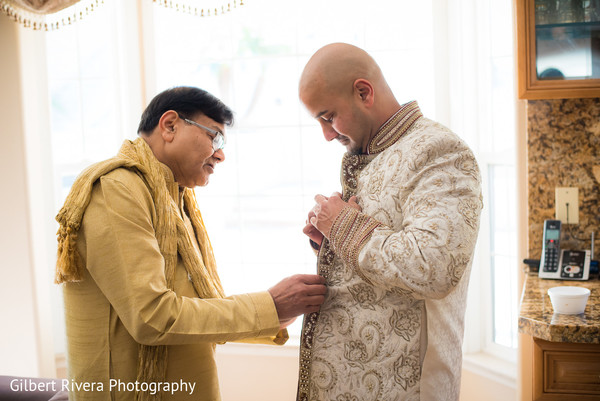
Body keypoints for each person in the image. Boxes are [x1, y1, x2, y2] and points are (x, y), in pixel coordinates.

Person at [55, 86, 327, 401]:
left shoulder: (174, 196)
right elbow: (152, 317)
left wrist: (274, 313)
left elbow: (193, 301)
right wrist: (269, 306)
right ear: (169, 125)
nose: (221, 154)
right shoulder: (117, 189)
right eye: (215, 137)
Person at [296, 43, 483, 401]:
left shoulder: (439, 150)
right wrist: (330, 241)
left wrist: (342, 226)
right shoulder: (370, 151)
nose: (327, 134)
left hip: (405, 386)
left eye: (328, 116)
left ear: (363, 92)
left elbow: (434, 267)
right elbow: (379, 245)